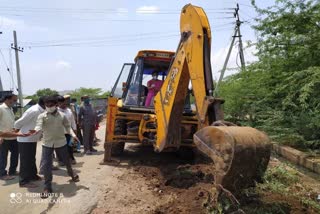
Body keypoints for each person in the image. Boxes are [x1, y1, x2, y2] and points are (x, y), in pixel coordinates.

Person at [31, 96, 79, 198]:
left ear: (55, 105)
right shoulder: (42, 116)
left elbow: (67, 126)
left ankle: (72, 175)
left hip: (61, 142)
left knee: (67, 161)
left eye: (51, 105)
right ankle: (47, 187)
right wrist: (35, 130)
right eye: (47, 105)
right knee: (47, 166)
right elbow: (38, 126)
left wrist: (73, 135)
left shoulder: (62, 115)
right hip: (47, 144)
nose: (49, 107)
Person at [14, 96, 46, 188]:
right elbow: (18, 122)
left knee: (31, 158)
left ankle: (33, 176)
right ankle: (23, 181)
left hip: (32, 138)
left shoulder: (41, 110)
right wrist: (16, 132)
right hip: (25, 139)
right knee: (25, 161)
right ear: (44, 104)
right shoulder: (34, 111)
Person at [0, 94, 19, 180]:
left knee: (15, 154)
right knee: (3, 156)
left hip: (13, 136)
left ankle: (12, 171)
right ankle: (2, 174)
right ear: (7, 99)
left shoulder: (10, 109)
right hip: (3, 137)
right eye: (14, 100)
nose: (15, 102)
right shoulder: (1, 108)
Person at [57, 96, 78, 164]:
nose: (64, 105)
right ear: (58, 103)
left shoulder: (69, 111)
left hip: (69, 132)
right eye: (62, 103)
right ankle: (60, 160)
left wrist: (75, 130)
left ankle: (71, 158)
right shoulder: (56, 111)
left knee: (70, 146)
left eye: (64, 103)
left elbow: (73, 121)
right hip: (59, 133)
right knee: (60, 147)